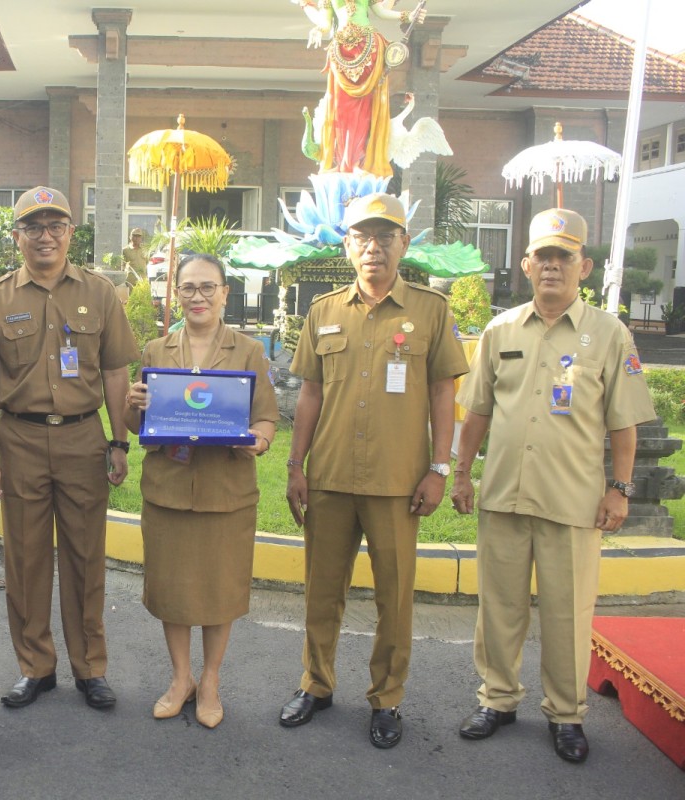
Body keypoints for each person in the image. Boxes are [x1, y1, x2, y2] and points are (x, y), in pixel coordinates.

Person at [450, 208, 655, 764]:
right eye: (543, 255)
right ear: (525, 264)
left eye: (563, 256)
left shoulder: (609, 334)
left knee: (568, 613)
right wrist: (462, 473)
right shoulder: (500, 330)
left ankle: (566, 714)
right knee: (499, 608)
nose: (552, 266)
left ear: (583, 266)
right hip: (505, 496)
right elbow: (477, 413)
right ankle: (497, 698)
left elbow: (624, 423)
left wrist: (620, 489)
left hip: (572, 501)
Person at [281, 192, 468, 748]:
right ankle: (316, 684)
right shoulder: (325, 311)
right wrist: (296, 464)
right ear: (347, 246)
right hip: (331, 477)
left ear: (403, 245)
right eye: (363, 237)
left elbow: (443, 392)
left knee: (395, 596)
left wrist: (439, 467)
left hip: (397, 482)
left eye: (385, 237)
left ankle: (386, 699)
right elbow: (310, 393)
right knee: (321, 591)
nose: (374, 248)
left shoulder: (430, 312)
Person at [0, 186, 139, 711]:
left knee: (86, 558)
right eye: (33, 227)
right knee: (26, 559)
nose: (45, 236)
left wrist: (119, 441)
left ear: (70, 233)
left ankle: (90, 668)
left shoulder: (100, 292)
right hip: (18, 439)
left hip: (84, 438)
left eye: (55, 225)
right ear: (16, 236)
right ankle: (36, 666)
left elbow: (114, 372)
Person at [123, 253, 278, 728]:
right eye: (188, 288)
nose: (198, 297)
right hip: (168, 492)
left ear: (225, 293)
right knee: (172, 590)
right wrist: (133, 405)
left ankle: (210, 680)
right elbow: (138, 426)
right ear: (177, 294)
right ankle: (180, 677)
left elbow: (266, 417)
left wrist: (261, 439)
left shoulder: (249, 352)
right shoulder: (156, 350)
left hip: (225, 493)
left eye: (207, 287)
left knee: (218, 590)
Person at [296, 0, 426, 177]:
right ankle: (343, 161)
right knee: (340, 111)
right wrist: (318, 29)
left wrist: (407, 16)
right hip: (340, 51)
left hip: (369, 47)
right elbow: (326, 23)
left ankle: (358, 161)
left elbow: (380, 12)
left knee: (365, 110)